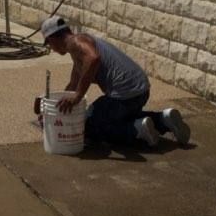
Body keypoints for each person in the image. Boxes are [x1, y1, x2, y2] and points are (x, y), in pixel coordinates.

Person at [40, 16, 190, 148]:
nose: (51, 48)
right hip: (141, 92)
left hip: (124, 96)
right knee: (114, 116)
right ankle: (162, 119)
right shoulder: (79, 51)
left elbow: (94, 59)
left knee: (90, 127)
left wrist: (79, 95)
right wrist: (53, 112)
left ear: (52, 38)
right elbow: (71, 87)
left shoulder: (75, 42)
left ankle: (136, 130)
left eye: (48, 44)